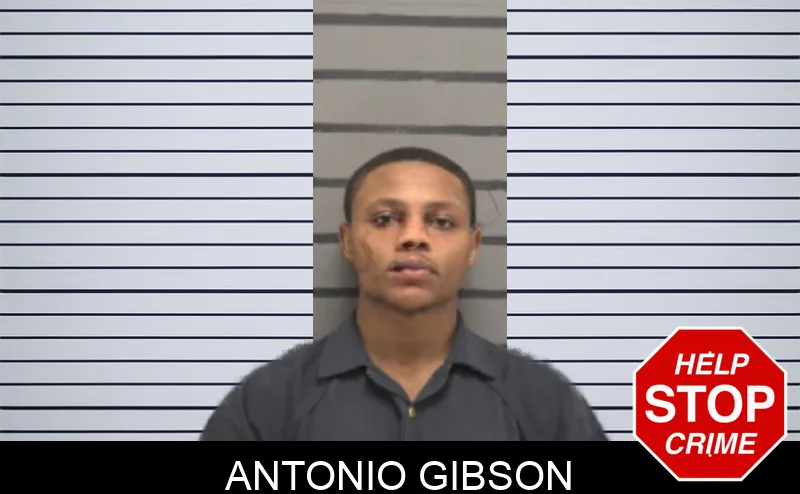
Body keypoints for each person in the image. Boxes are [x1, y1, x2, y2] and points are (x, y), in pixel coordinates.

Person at [200, 147, 608, 441]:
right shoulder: (268, 403)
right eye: (385, 219)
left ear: (472, 247)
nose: (413, 237)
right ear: (347, 242)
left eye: (441, 222)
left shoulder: (542, 402)